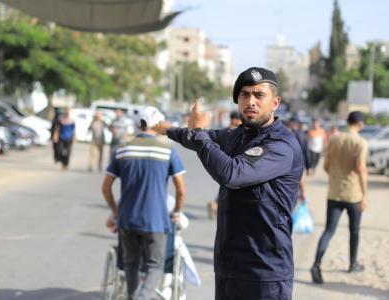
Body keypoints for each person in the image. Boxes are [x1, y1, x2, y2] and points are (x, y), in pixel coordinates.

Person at [154, 67, 303, 300]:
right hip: (229, 265)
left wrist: (199, 131)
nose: (250, 101)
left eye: (258, 95)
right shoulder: (237, 136)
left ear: (275, 103)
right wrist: (164, 129)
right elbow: (196, 139)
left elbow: (232, 174)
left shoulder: (281, 146)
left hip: (264, 271)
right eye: (244, 95)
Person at [102, 106, 186, 300]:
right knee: (155, 266)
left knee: (130, 264)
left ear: (137, 124)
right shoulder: (168, 151)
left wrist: (116, 211)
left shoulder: (121, 149)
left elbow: (106, 187)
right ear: (157, 125)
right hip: (156, 221)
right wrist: (176, 212)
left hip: (127, 219)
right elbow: (181, 190)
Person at [310, 111, 368, 284]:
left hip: (334, 193)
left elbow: (326, 166)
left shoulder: (334, 139)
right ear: (361, 124)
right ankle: (352, 263)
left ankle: (316, 263)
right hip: (353, 194)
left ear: (347, 121)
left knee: (328, 230)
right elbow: (361, 169)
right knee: (354, 231)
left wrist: (336, 176)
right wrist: (365, 195)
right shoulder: (360, 142)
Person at [207, 111, 242, 219]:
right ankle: (216, 204)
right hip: (232, 166)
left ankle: (216, 204)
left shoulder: (224, 131)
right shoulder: (237, 132)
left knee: (225, 187)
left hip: (222, 164)